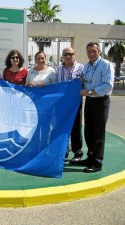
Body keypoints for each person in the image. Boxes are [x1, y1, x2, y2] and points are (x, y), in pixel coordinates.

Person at [74, 42, 114, 173]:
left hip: (101, 102)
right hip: (90, 102)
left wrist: (90, 92)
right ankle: (90, 157)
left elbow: (108, 86)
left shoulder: (106, 65)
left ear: (99, 52)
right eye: (89, 51)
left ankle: (97, 162)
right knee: (89, 132)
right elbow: (84, 81)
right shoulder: (86, 66)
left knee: (98, 133)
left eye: (94, 51)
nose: (91, 54)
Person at [55, 47, 84, 162]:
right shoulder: (57, 69)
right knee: (62, 127)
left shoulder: (81, 68)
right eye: (66, 54)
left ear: (74, 54)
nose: (68, 56)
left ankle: (77, 152)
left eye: (70, 54)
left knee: (76, 128)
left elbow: (85, 83)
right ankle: (64, 150)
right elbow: (53, 83)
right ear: (62, 56)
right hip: (61, 103)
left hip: (75, 103)